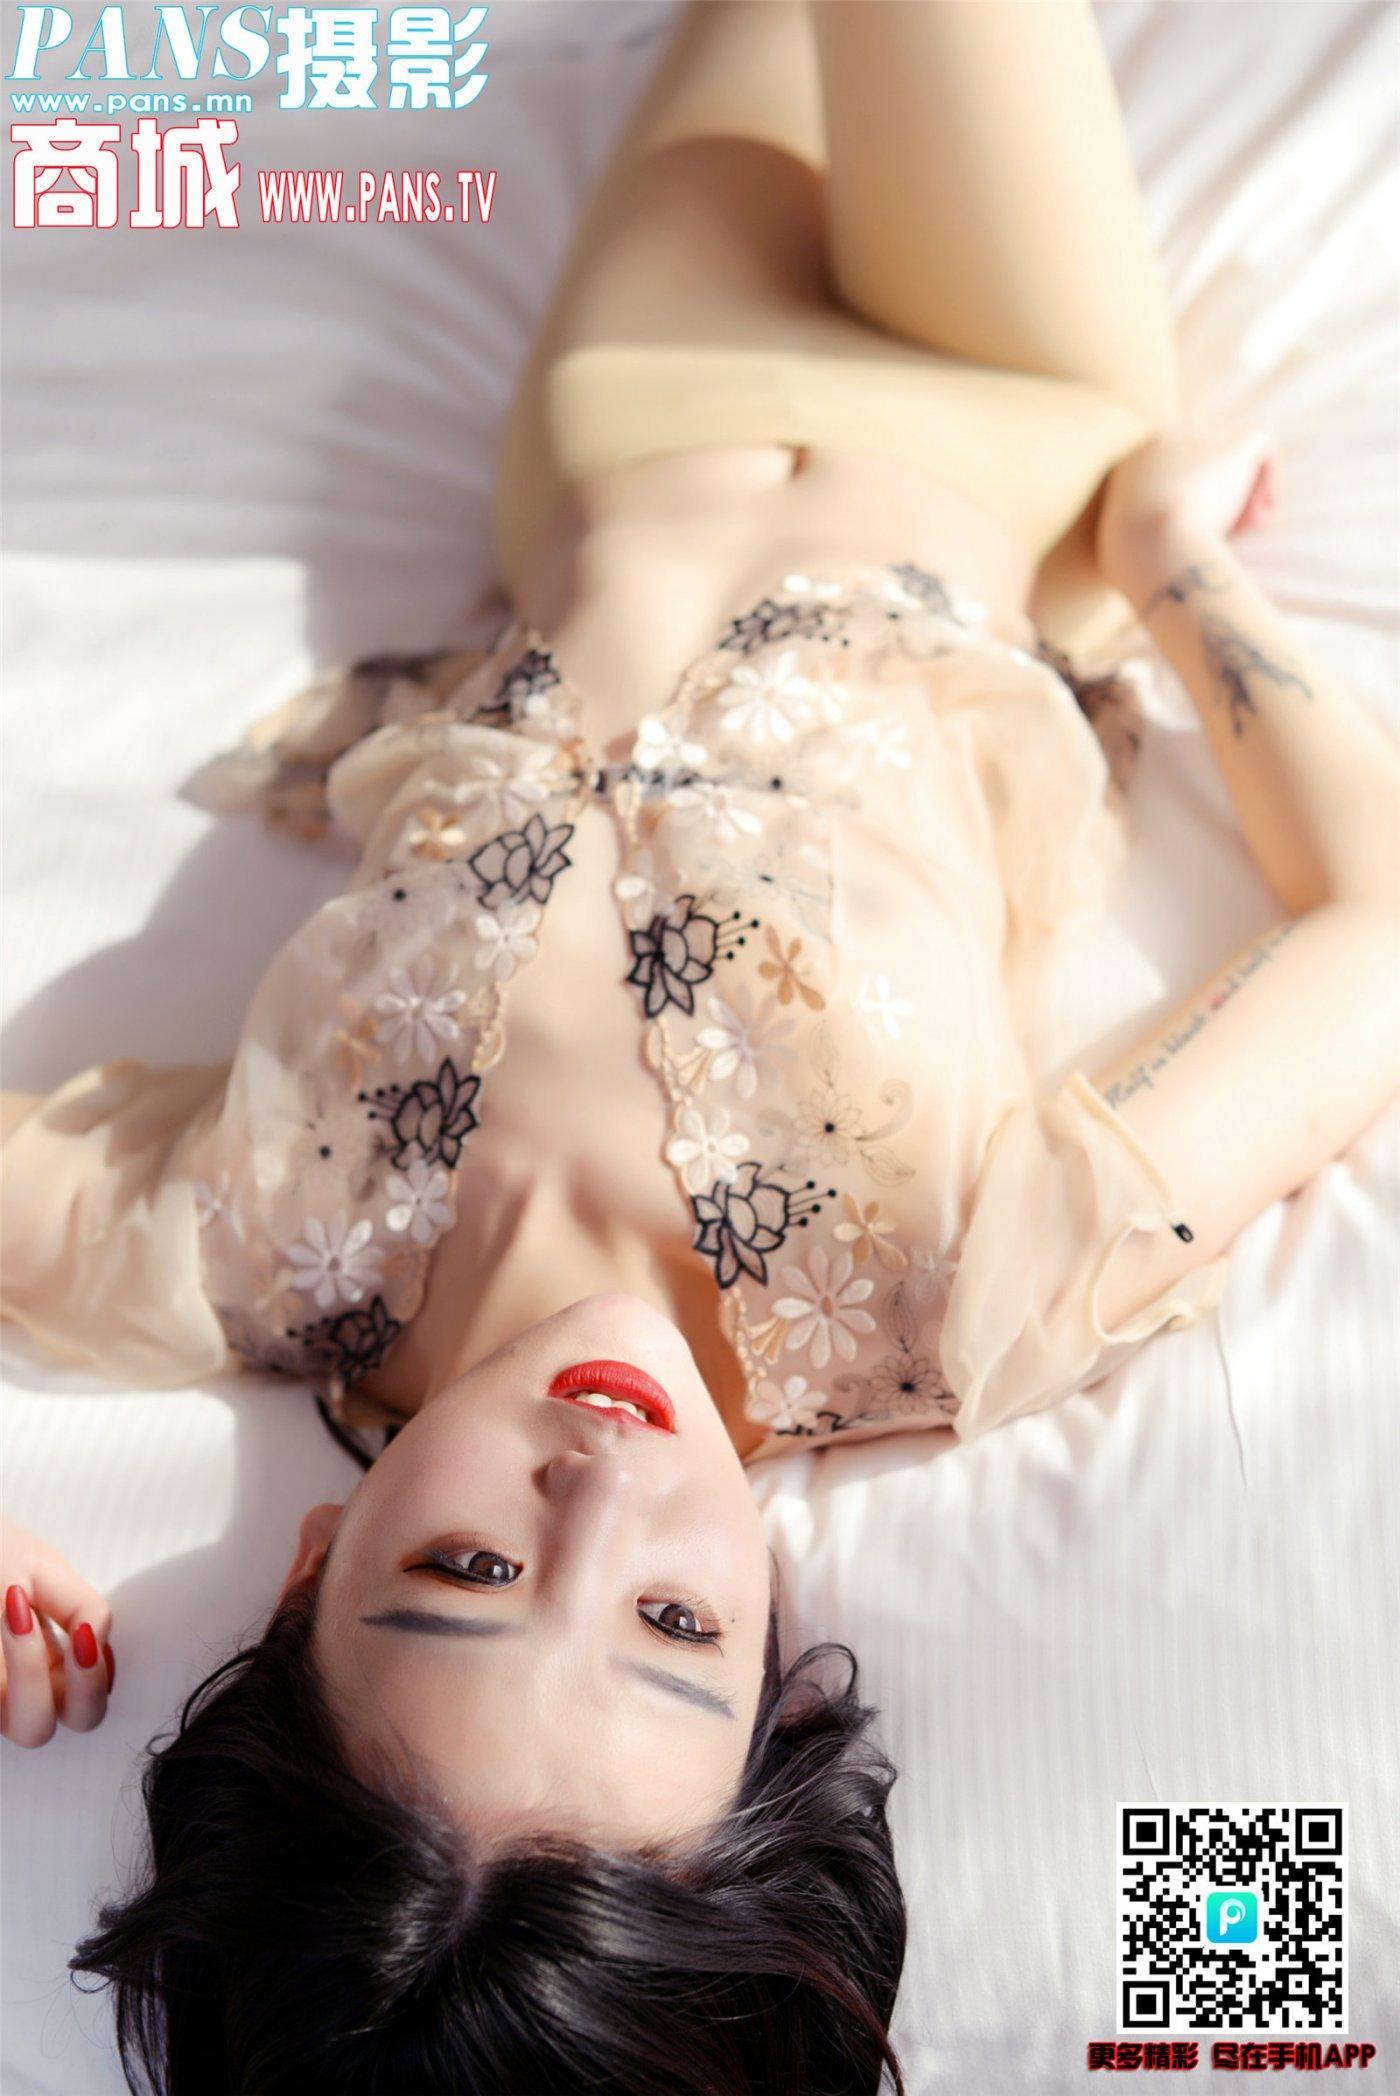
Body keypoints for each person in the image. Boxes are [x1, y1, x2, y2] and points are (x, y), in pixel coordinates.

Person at [2, 4, 1397, 2091]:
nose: (602, 1489)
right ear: (772, 1666)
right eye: (673, 1626)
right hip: (1007, 411)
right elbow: (1376, 929)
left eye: (467, 1566)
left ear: (307, 1572)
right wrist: (1170, 562)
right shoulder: (971, 1291)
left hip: (624, 404)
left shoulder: (232, 1243)